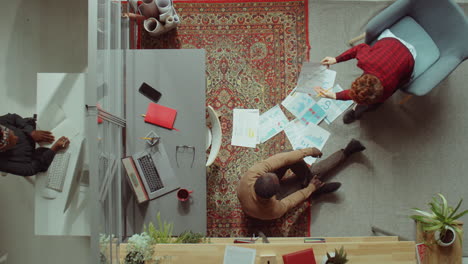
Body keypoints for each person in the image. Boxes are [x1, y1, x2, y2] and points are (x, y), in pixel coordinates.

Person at [237, 139, 366, 220]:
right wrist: (310, 188)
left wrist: (309, 151)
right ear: (276, 191)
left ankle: (310, 181)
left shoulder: (251, 175)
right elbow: (293, 200)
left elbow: (281, 159)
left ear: (260, 177)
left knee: (289, 155)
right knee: (313, 177)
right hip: (270, 203)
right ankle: (345, 153)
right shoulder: (273, 210)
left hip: (260, 197)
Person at [315, 31, 416, 124]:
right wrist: (336, 59)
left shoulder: (387, 90)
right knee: (366, 98)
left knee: (372, 105)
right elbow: (358, 48)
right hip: (391, 44)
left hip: (407, 58)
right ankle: (360, 108)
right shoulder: (366, 60)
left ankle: (356, 111)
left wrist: (334, 95)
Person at [0, 113, 70, 176]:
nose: (17, 137)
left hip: (35, 130)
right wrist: (54, 149)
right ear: (3, 149)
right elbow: (31, 169)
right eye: (13, 142)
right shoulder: (2, 163)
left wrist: (31, 132)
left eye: (13, 133)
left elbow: (13, 118)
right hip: (39, 157)